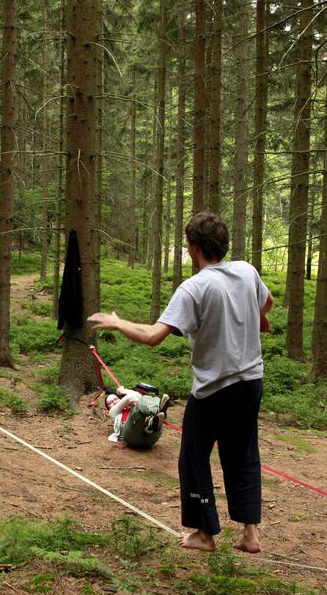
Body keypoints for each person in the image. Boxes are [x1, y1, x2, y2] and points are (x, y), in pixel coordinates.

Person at [88, 212, 273, 553]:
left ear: (193, 249)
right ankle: (250, 535)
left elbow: (153, 335)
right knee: (244, 453)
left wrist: (117, 322)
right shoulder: (247, 271)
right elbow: (268, 302)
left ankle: (204, 534)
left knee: (194, 456)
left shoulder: (196, 287)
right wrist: (256, 319)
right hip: (252, 382)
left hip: (216, 389)